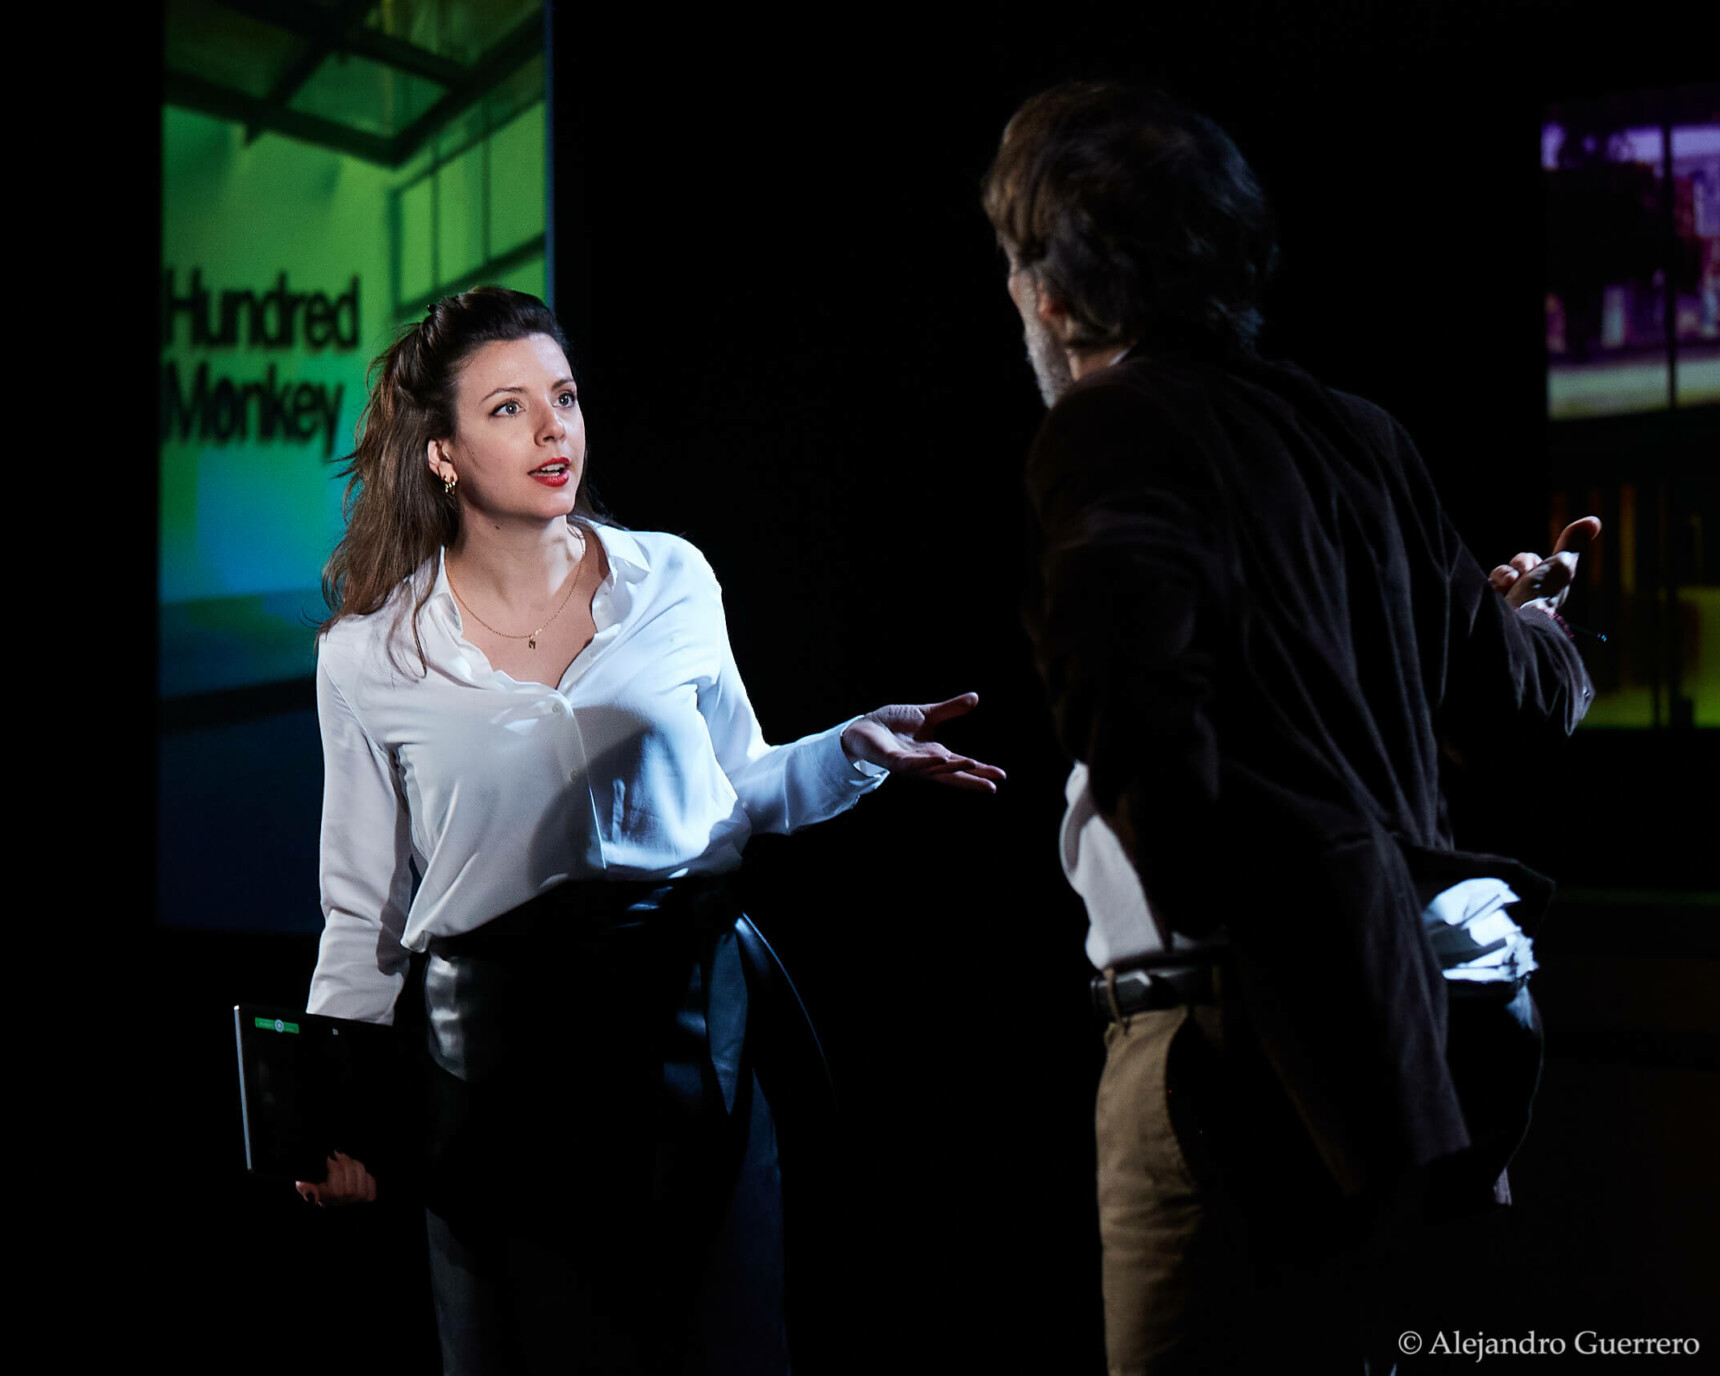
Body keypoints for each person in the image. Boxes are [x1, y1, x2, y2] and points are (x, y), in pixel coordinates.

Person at [982, 83, 1597, 1373]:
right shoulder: (1360, 436)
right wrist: (1537, 621)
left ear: (1055, 293)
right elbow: (1515, 697)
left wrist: (1239, 954)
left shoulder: (1107, 427)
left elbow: (1140, 715)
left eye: (1016, 264)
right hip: (1382, 1056)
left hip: (1225, 1048)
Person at [291, 286, 1003, 1375]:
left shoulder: (671, 576)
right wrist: (331, 1109)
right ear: (441, 453)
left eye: (565, 398)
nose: (553, 429)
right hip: (492, 1067)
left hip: (685, 1033)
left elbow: (743, 785)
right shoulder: (368, 654)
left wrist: (853, 748)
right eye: (509, 408)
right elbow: (362, 910)